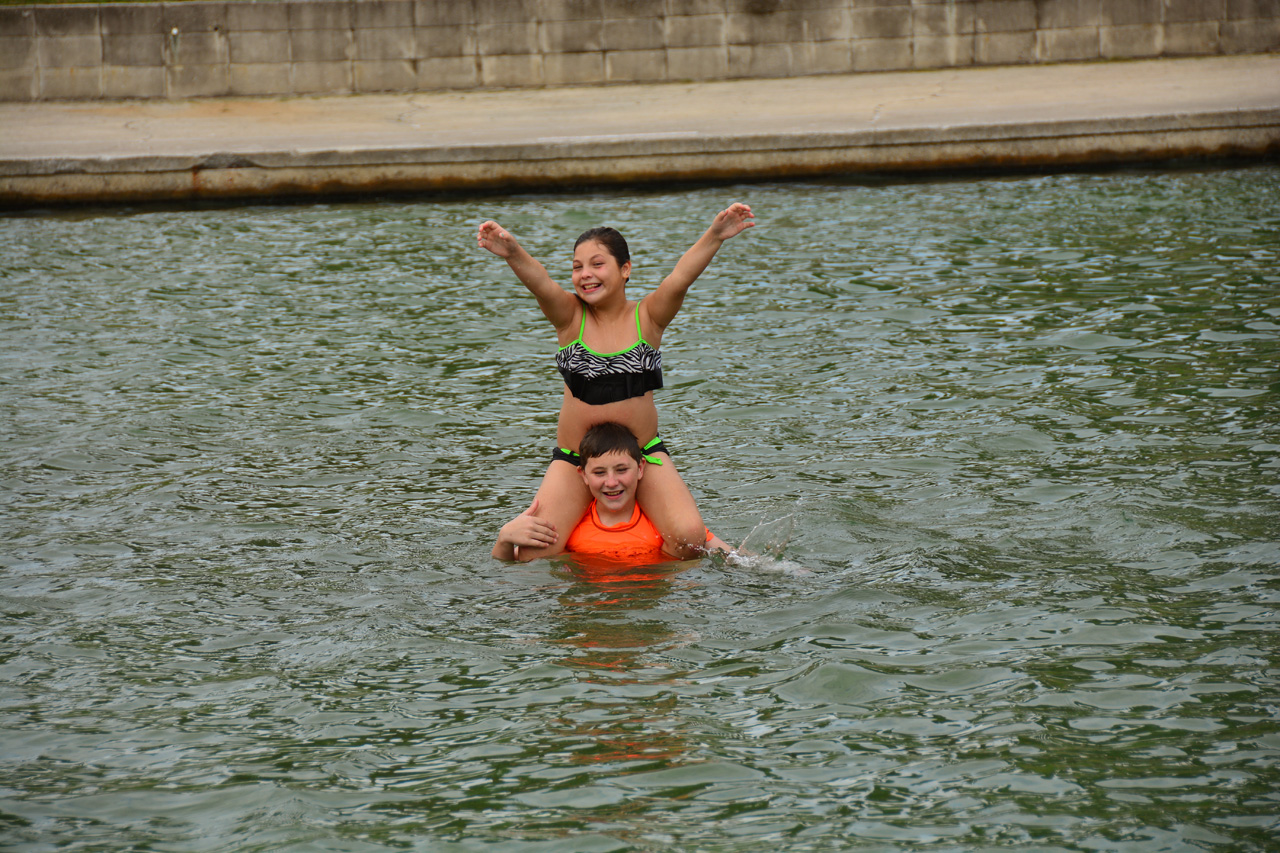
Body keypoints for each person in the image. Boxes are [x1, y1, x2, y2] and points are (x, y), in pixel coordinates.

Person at [477, 204, 754, 560]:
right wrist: (513, 253)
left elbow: (680, 277)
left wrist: (714, 236)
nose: (585, 274)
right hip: (576, 458)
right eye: (577, 267)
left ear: (625, 270)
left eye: (597, 264)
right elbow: (542, 284)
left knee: (688, 538)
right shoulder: (570, 318)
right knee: (534, 553)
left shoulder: (648, 317)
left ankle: (674, 557)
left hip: (641, 453)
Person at [493, 422, 730, 562]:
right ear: (583, 476)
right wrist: (504, 538)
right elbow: (506, 568)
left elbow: (737, 560)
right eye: (599, 473)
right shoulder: (569, 529)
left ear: (640, 469)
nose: (612, 482)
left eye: (621, 469)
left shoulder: (663, 523)